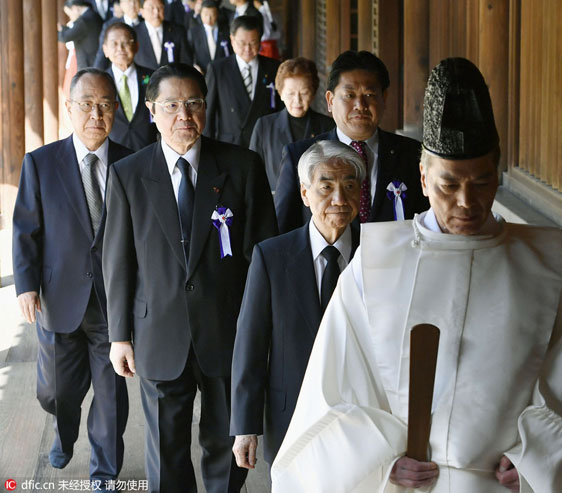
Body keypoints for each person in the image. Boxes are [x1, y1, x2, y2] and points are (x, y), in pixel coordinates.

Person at [271, 58, 562, 492]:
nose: (466, 201)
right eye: (449, 185)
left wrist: (535, 459)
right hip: (406, 482)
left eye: (482, 183)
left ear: (497, 174)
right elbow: (333, 391)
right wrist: (382, 461)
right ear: (424, 177)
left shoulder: (537, 268)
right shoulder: (376, 264)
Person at [102, 63, 277, 493]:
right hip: (158, 331)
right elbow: (117, 258)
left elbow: (263, 255)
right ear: (151, 111)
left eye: (194, 103)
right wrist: (118, 335)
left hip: (226, 332)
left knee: (226, 446)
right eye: (172, 105)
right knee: (166, 451)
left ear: (206, 106)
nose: (185, 115)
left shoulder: (242, 166)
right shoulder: (128, 174)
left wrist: (262, 333)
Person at [12, 68, 131, 490]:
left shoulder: (131, 163)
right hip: (59, 297)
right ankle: (64, 434)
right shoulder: (41, 163)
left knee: (112, 397)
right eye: (86, 104)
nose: (95, 113)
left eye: (104, 105)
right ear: (69, 108)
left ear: (115, 109)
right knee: (56, 393)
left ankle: (104, 474)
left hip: (113, 303)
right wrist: (26, 285)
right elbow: (26, 229)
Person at [230, 141, 363, 471]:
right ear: (305, 194)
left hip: (362, 414)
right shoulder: (272, 256)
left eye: (349, 186)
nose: (339, 199)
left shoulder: (377, 251)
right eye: (326, 187)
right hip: (292, 413)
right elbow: (251, 344)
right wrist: (245, 427)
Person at [274, 50, 429, 234]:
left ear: (384, 98)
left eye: (370, 95)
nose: (360, 105)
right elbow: (283, 232)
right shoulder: (299, 155)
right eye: (349, 95)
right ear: (330, 101)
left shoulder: (412, 154)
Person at [249, 57, 334, 192]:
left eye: (304, 93)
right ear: (280, 93)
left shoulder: (328, 126)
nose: (297, 100)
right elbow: (252, 174)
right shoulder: (264, 126)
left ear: (313, 93)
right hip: (276, 206)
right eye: (290, 94)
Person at [204, 15, 282, 148]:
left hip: (265, 143)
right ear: (232, 40)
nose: (247, 49)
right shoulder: (218, 69)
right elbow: (208, 112)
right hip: (230, 144)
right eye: (242, 43)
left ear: (260, 41)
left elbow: (281, 110)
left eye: (253, 42)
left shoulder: (274, 67)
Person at [103, 22, 156, 150]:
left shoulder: (152, 77)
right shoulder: (100, 81)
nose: (120, 48)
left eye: (126, 42)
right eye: (114, 44)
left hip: (147, 150)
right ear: (105, 50)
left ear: (136, 46)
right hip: (113, 153)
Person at [133, 0, 192, 70]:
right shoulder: (134, 33)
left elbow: (186, 61)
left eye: (160, 8)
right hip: (145, 79)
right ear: (142, 12)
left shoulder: (178, 30)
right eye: (151, 8)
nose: (156, 12)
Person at [93, 0, 143, 70]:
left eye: (135, 1)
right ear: (121, 4)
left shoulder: (148, 23)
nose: (132, 4)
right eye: (128, 1)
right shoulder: (110, 25)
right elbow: (102, 55)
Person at [188, 0, 232, 74]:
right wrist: (194, 66)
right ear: (200, 14)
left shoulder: (226, 31)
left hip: (223, 72)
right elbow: (189, 54)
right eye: (205, 14)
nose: (209, 19)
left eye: (212, 15)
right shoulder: (193, 32)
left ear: (217, 14)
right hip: (202, 73)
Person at [58, 0, 104, 69]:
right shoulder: (93, 14)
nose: (70, 17)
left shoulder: (83, 21)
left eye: (70, 14)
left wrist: (58, 30)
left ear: (75, 8)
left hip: (88, 64)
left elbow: (65, 37)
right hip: (94, 61)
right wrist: (63, 29)